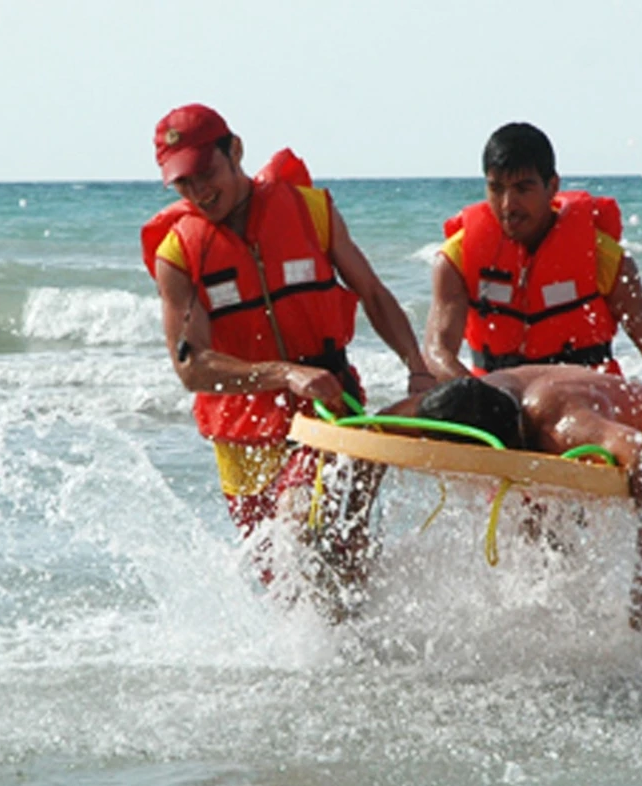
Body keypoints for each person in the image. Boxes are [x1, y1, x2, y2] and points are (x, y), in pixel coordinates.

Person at [139, 103, 435, 608]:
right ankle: (342, 674)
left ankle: (384, 652)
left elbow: (374, 293)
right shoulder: (179, 254)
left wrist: (417, 366)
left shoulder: (310, 211)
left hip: (327, 413)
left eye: (205, 174)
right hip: (241, 440)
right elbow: (191, 367)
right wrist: (284, 373)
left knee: (309, 533)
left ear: (235, 150)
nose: (198, 192)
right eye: (182, 184)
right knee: (290, 593)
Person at [381, 366, 642, 631]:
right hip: (618, 417)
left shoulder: (559, 426)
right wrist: (350, 540)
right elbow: (371, 431)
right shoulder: (451, 406)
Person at [424, 122, 642, 392]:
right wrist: (480, 400)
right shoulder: (456, 259)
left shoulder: (603, 258)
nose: (508, 205)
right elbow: (437, 353)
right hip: (497, 401)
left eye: (522, 189)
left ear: (552, 186)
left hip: (584, 403)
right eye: (496, 189)